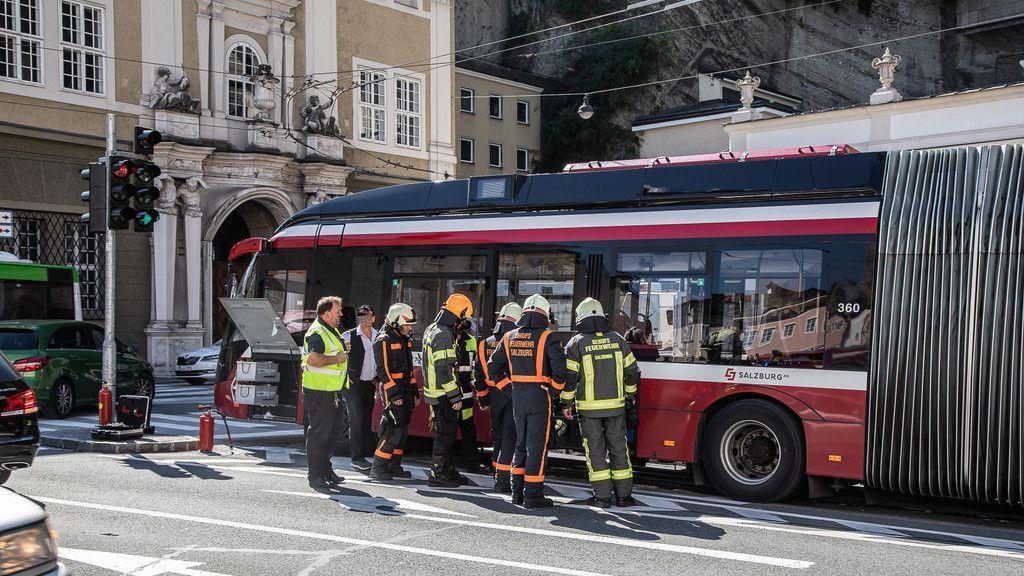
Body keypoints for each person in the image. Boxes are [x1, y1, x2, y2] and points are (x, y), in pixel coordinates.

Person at [488, 294, 567, 509]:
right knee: (537, 446)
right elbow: (561, 372)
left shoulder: (509, 336)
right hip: (539, 395)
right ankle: (533, 494)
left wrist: (508, 390)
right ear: (545, 314)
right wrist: (553, 391)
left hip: (517, 396)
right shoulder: (548, 337)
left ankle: (517, 492)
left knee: (520, 443)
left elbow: (492, 367)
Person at [561, 297, 641, 508]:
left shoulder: (576, 343)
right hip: (616, 407)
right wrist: (629, 394)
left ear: (581, 318)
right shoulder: (618, 340)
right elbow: (632, 371)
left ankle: (602, 498)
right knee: (618, 449)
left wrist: (566, 403)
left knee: (595, 451)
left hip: (588, 410)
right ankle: (624, 497)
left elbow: (570, 378)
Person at [422, 293, 474, 487]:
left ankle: (447, 470)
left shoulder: (432, 329)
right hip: (444, 394)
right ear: (458, 314)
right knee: (445, 435)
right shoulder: (443, 335)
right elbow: (444, 370)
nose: (463, 323)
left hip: (435, 392)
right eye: (463, 318)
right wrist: (455, 397)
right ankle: (438, 473)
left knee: (447, 434)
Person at [301, 296, 349, 491]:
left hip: (332, 391)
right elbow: (314, 359)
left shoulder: (331, 329)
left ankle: (325, 469)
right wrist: (338, 357)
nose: (341, 315)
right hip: (319, 392)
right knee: (320, 434)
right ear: (326, 313)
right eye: (338, 311)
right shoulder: (317, 332)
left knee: (333, 433)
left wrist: (342, 352)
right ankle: (315, 475)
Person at [473, 302, 522, 493]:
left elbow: (478, 375)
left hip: (494, 396)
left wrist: (484, 399)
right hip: (510, 394)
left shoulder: (483, 343)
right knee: (510, 436)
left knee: (498, 436)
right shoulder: (512, 341)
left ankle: (496, 472)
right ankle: (503, 479)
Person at [369, 303, 420, 481]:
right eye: (407, 324)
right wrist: (395, 395)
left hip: (405, 389)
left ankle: (394, 465)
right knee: (392, 429)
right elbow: (383, 372)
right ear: (397, 321)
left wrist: (414, 391)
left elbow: (410, 370)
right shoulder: (383, 340)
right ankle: (378, 467)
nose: (409, 328)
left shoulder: (405, 340)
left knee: (403, 429)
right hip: (393, 391)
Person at [340, 305, 378, 472]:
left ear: (373, 318)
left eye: (368, 316)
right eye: (362, 316)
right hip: (352, 384)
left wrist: (378, 378)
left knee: (366, 421)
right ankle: (356, 458)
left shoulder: (378, 336)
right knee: (356, 419)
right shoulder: (348, 336)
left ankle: (362, 455)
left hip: (369, 384)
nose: (365, 319)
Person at [455, 319, 489, 474]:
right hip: (450, 395)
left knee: (468, 429)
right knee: (447, 431)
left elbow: (474, 367)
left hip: (465, 395)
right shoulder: (446, 338)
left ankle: (472, 463)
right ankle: (446, 464)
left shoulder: (470, 342)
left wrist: (476, 387)